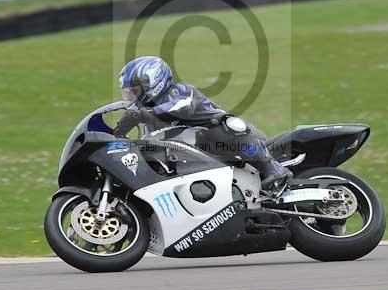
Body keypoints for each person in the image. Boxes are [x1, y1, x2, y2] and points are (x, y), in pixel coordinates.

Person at [112, 56, 292, 192]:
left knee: (227, 125)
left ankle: (273, 169)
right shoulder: (149, 117)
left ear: (152, 83)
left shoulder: (180, 91)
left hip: (227, 141)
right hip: (196, 156)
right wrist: (118, 134)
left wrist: (143, 114)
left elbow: (182, 107)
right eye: (128, 93)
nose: (130, 97)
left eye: (134, 91)